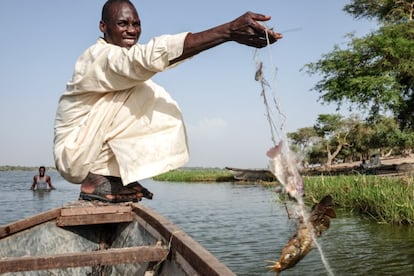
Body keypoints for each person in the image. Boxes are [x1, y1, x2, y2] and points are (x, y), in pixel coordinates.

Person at [54, 0, 282, 203]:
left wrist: (226, 36)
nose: (132, 31)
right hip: (77, 154)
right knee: (145, 87)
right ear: (103, 27)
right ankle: (98, 177)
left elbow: (151, 60)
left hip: (85, 149)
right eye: (123, 24)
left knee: (153, 93)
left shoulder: (121, 62)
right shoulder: (98, 57)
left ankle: (114, 177)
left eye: (136, 24)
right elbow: (145, 59)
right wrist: (228, 31)